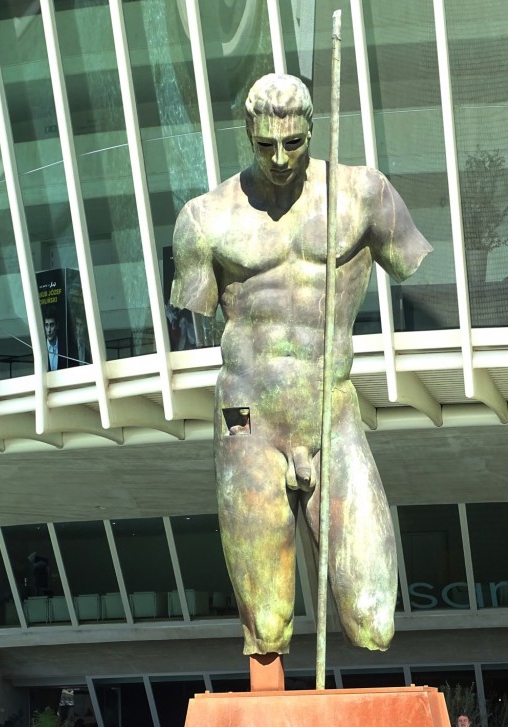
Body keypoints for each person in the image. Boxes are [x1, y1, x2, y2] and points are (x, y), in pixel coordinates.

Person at [170, 73, 431, 657]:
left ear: (312, 130)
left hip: (330, 414)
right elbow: (196, 309)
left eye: (294, 142)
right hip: (249, 423)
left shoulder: (363, 194)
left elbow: (408, 261)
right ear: (248, 134)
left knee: (372, 619)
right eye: (266, 145)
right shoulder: (206, 219)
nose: (281, 158)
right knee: (266, 627)